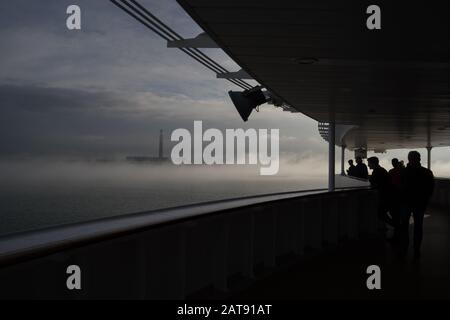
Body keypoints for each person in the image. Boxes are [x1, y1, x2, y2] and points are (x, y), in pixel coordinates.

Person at [399, 151, 434, 259]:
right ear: (419, 158)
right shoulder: (427, 172)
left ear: (409, 159)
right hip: (420, 203)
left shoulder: (404, 172)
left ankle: (404, 247)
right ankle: (416, 249)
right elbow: (430, 189)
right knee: (418, 226)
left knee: (404, 226)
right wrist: (425, 200)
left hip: (406, 203)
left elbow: (400, 187)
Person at [367, 157, 392, 226]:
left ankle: (396, 226)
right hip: (386, 196)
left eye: (369, 163)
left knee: (381, 213)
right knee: (382, 213)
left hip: (384, 197)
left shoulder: (377, 171)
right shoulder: (381, 170)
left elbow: (374, 182)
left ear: (373, 163)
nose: (368, 165)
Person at [388, 158, 404, 241]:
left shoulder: (391, 171)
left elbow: (388, 182)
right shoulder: (403, 171)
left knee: (394, 214)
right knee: (398, 214)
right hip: (400, 195)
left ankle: (397, 231)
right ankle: (399, 230)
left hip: (394, 195)